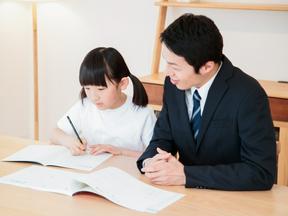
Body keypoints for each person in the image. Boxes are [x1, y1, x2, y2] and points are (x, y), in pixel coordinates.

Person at [137, 13, 276, 190]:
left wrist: (187, 175)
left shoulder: (248, 94)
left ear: (206, 67)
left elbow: (261, 172)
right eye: (167, 63)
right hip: (182, 195)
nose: (167, 73)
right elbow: (163, 137)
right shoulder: (174, 84)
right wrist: (151, 161)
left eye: (175, 66)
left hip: (233, 199)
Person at [51, 47, 156, 158]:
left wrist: (120, 151)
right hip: (90, 171)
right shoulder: (85, 106)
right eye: (87, 88)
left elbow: (156, 156)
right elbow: (55, 134)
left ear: (122, 83)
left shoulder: (143, 114)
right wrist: (70, 142)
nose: (93, 97)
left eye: (101, 89)